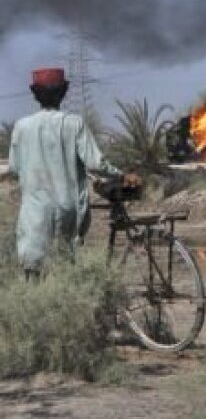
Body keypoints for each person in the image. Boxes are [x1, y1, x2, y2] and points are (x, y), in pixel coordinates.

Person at [7, 68, 135, 280]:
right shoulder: (74, 123)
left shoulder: (22, 127)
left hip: (35, 213)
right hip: (69, 210)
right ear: (64, 91)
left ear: (34, 93)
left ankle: (40, 309)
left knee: (34, 270)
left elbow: (13, 167)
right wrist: (121, 176)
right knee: (65, 268)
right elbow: (96, 163)